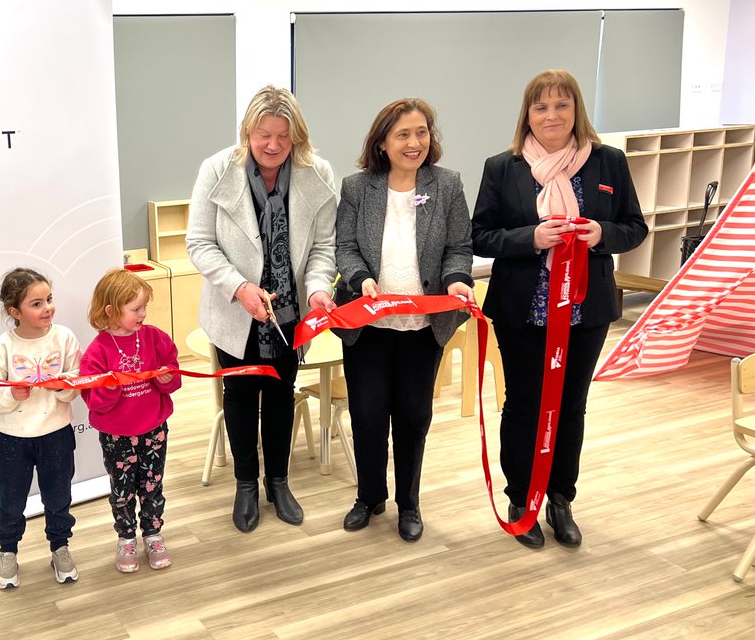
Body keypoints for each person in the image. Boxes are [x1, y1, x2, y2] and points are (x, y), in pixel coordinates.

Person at [472, 69, 646, 549]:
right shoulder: (502, 167)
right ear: (527, 114)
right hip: (523, 311)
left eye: (561, 106)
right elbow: (480, 235)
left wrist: (602, 234)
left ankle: (561, 499)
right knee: (524, 406)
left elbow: (635, 226)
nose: (551, 115)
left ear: (577, 111)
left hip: (584, 312)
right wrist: (530, 237)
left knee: (571, 407)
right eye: (541, 106)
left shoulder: (609, 162)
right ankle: (520, 499)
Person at [186, 84, 337, 533]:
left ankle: (279, 482)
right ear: (247, 133)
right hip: (235, 310)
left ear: (298, 137)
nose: (272, 146)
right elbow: (199, 242)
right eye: (262, 135)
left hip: (290, 314)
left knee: (280, 394)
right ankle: (246, 484)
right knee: (239, 396)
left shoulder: (318, 173)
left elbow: (323, 248)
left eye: (283, 137)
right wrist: (239, 287)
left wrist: (315, 291)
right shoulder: (217, 170)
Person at [335, 99, 474, 543]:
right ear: (382, 142)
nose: (414, 143)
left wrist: (454, 281)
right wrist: (362, 279)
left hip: (422, 327)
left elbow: (459, 247)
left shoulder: (447, 185)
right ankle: (369, 496)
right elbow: (345, 248)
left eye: (421, 132)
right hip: (369, 324)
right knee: (368, 414)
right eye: (402, 134)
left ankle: (408, 503)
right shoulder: (358, 188)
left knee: (413, 417)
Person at [0, 268, 82, 590]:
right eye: (36, 304)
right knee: (10, 502)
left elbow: (76, 383)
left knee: (58, 496)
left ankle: (60, 547)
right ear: (15, 312)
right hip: (13, 438)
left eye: (49, 300)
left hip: (56, 434)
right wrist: (11, 393)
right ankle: (8, 551)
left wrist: (61, 387)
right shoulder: (3, 347)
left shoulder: (65, 337)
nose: (47, 308)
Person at [81, 269, 180, 572]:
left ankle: (152, 533)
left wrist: (165, 379)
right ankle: (126, 538)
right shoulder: (97, 352)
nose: (143, 314)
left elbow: (173, 376)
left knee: (152, 483)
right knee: (122, 489)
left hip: (154, 429)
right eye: (136, 309)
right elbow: (92, 401)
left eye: (144, 307)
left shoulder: (154, 337)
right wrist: (109, 390)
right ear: (111, 311)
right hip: (117, 434)